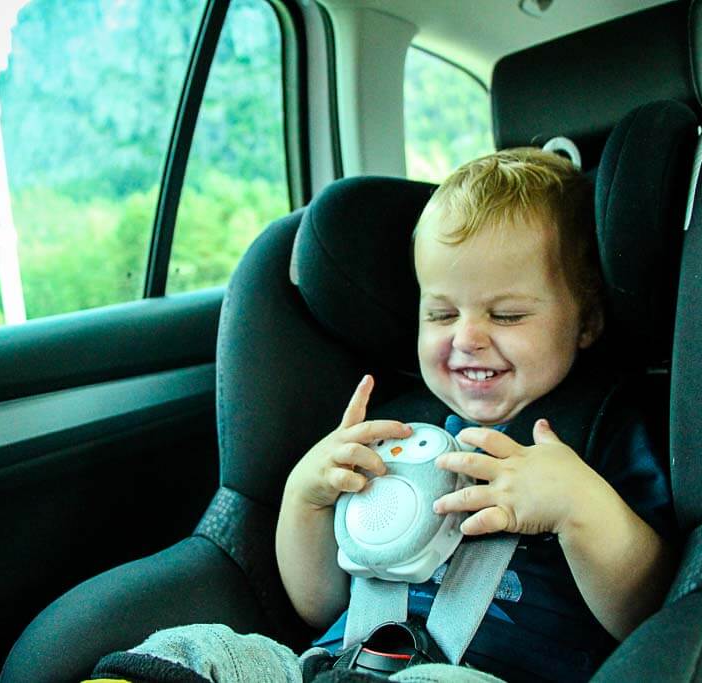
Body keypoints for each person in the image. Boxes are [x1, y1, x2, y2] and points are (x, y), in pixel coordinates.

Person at [275, 148, 678, 682]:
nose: (466, 337)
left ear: (586, 321)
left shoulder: (607, 434)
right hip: (338, 663)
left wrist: (580, 508)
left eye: (506, 314)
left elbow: (652, 617)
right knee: (206, 648)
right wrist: (305, 496)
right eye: (441, 313)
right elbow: (318, 606)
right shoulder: (389, 433)